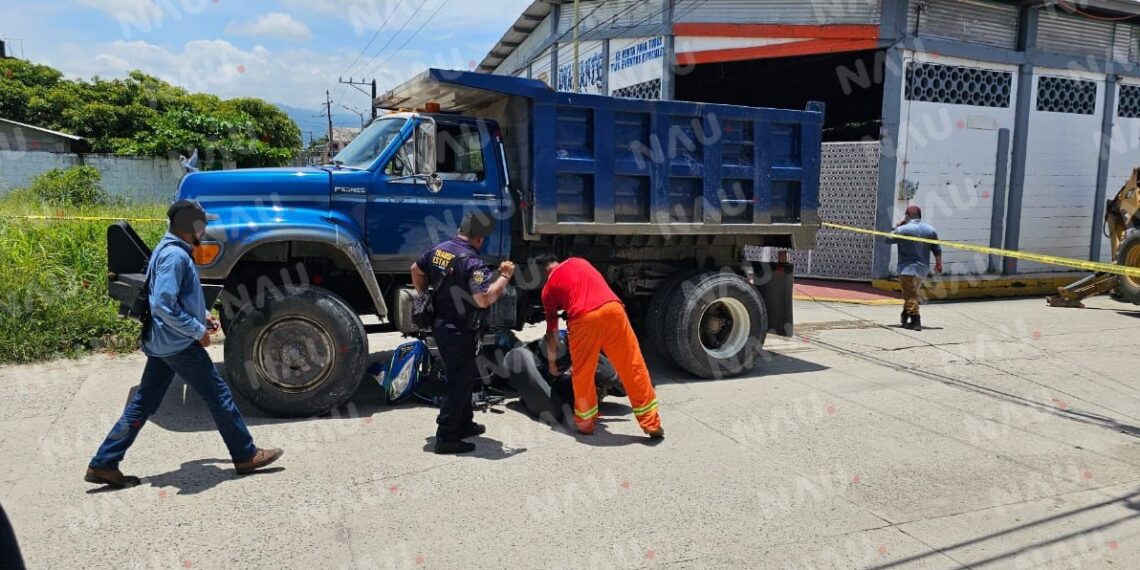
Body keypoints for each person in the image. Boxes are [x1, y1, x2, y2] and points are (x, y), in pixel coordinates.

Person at [86, 200, 282, 488]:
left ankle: (104, 462)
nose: (204, 230)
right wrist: (197, 330)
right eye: (202, 225)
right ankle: (245, 455)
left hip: (163, 342)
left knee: (143, 403)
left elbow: (176, 299)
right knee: (218, 396)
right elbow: (163, 305)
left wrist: (202, 315)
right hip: (177, 344)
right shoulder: (175, 257)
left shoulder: (168, 249)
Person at [411, 212, 515, 454]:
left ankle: (464, 422)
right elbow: (483, 299)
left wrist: (424, 295)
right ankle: (446, 436)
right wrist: (504, 277)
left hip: (440, 324)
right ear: (479, 238)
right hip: (459, 329)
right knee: (458, 381)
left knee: (465, 374)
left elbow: (415, 269)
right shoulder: (473, 262)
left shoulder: (439, 249)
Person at [535, 254, 663, 438]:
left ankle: (585, 423)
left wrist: (552, 363)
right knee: (632, 365)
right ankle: (651, 423)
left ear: (541, 271)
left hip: (584, 319)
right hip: (613, 310)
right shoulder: (578, 261)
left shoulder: (548, 289)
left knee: (583, 373)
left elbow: (552, 331)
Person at [885, 205, 943, 331]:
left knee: (910, 294)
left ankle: (916, 320)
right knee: (911, 293)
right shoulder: (930, 230)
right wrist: (939, 264)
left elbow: (887, 239)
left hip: (907, 269)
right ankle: (905, 315)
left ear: (907, 216)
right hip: (922, 270)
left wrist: (897, 227)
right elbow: (937, 249)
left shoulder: (903, 229)